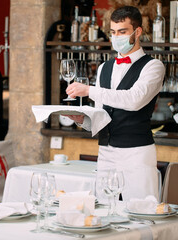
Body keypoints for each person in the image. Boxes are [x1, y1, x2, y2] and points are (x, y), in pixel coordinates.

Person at [66, 6, 165, 201]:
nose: (116, 37)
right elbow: (103, 114)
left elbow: (134, 100)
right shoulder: (105, 67)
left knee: (141, 212)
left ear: (137, 32)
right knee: (105, 211)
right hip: (106, 153)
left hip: (136, 153)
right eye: (113, 32)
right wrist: (82, 121)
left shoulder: (153, 66)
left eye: (122, 32)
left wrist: (89, 91)